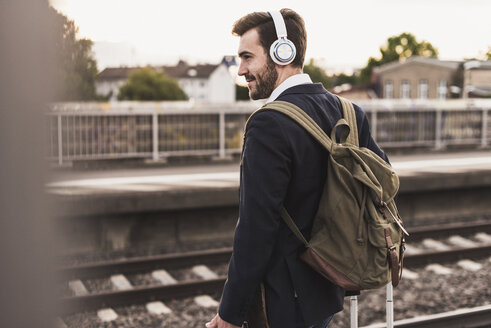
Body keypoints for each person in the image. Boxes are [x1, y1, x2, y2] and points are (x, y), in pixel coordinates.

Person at [206, 8, 388, 328]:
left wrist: (230, 314)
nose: (241, 70)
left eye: (247, 57)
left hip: (284, 303)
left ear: (282, 52)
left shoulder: (268, 124)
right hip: (329, 289)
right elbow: (382, 186)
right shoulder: (350, 112)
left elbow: (255, 229)